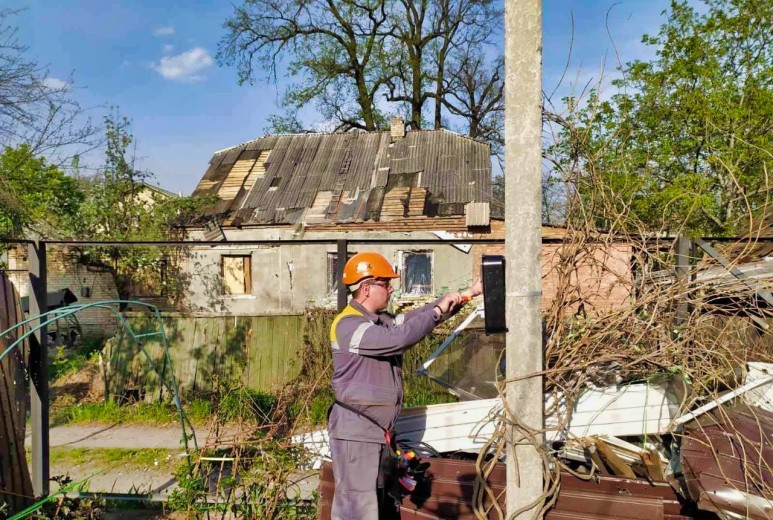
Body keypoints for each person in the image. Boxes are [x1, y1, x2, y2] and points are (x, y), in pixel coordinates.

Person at [328, 251, 483, 520]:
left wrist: (464, 296)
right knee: (357, 509)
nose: (391, 288)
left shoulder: (378, 321)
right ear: (366, 288)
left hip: (375, 431)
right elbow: (401, 337)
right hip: (357, 433)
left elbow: (412, 320)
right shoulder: (349, 325)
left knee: (379, 504)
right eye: (385, 283)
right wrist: (435, 311)